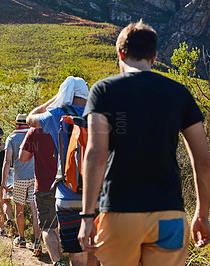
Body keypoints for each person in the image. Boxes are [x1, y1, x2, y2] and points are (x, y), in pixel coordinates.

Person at [78, 20, 210, 266]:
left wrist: (87, 217)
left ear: (120, 53)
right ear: (154, 56)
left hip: (119, 214)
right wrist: (202, 214)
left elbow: (96, 154)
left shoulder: (103, 91)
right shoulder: (179, 93)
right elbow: (203, 161)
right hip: (169, 214)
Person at [27, 76, 97, 266]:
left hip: (68, 195)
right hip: (99, 195)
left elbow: (29, 118)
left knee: (76, 253)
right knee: (97, 251)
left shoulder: (57, 114)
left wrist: (55, 99)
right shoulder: (100, 113)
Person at [19, 127, 64, 265]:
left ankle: (58, 262)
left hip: (45, 186)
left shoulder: (36, 130)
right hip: (68, 186)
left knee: (48, 227)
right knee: (61, 225)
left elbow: (23, 157)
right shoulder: (69, 123)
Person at [2, 114, 40, 251]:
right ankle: (37, 241)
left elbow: (7, 162)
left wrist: (4, 181)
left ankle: (22, 239)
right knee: (35, 210)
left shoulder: (11, 137)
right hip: (36, 177)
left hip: (19, 178)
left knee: (19, 209)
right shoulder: (35, 133)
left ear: (16, 124)